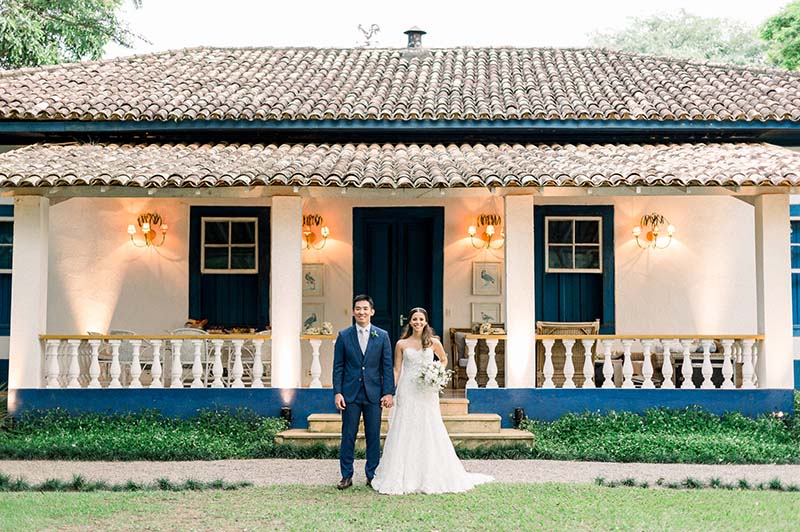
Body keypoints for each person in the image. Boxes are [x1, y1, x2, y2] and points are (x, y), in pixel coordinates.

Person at [371, 307, 493, 494]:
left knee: (429, 426)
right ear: (410, 322)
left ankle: (430, 473)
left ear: (426, 322)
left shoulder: (433, 342)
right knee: (406, 427)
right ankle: (404, 475)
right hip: (407, 390)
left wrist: (435, 372)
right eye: (414, 319)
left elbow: (443, 360)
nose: (418, 322)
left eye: (421, 319)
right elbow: (396, 370)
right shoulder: (401, 344)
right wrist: (390, 391)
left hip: (426, 391)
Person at [332, 294, 395, 490]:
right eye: (358, 308)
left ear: (372, 312)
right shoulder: (344, 336)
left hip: (374, 394)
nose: (361, 312)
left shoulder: (382, 335)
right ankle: (346, 475)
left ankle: (372, 474)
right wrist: (338, 392)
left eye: (365, 309)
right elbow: (338, 367)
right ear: (353, 311)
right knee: (348, 435)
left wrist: (388, 393)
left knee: (373, 435)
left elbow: (387, 366)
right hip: (350, 394)